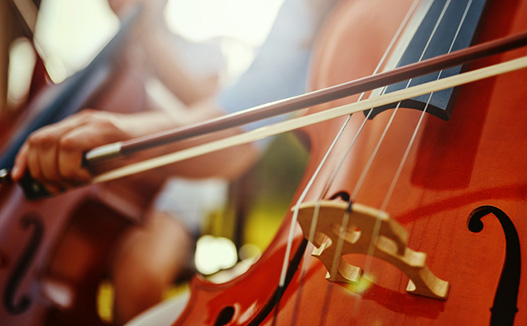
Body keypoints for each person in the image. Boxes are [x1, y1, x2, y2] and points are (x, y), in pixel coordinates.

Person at [11, 0, 337, 324]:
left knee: (139, 269)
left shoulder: (206, 48)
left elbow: (221, 111)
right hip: (121, 179)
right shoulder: (115, 55)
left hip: (182, 181)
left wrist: (149, 38)